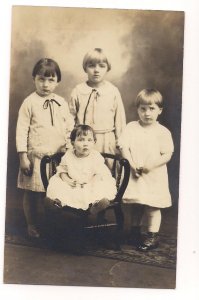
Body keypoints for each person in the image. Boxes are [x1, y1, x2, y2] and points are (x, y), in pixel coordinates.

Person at [16, 58, 74, 238]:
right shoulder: (29, 102)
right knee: (31, 193)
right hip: (36, 156)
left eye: (51, 80)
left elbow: (69, 127)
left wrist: (69, 148)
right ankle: (31, 224)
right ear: (34, 78)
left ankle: (50, 224)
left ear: (57, 82)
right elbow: (21, 130)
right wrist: (23, 156)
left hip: (56, 158)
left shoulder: (61, 102)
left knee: (51, 192)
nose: (46, 84)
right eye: (41, 79)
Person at [119, 88, 174, 251]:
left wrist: (151, 165)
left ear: (160, 110)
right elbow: (124, 148)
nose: (147, 113)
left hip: (154, 176)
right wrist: (131, 164)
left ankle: (152, 235)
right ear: (138, 109)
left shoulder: (162, 132)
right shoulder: (131, 127)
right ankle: (135, 231)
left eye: (152, 109)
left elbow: (167, 154)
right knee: (137, 204)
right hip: (135, 173)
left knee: (152, 207)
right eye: (143, 109)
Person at [68, 48, 126, 166]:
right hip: (84, 140)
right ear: (85, 68)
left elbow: (120, 121)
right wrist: (70, 143)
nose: (96, 70)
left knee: (107, 174)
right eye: (91, 66)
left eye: (101, 66)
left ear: (107, 68)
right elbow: (69, 119)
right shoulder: (78, 91)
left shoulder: (113, 91)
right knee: (84, 171)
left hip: (107, 140)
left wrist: (121, 144)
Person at [46, 125, 117, 213]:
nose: (85, 143)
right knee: (59, 186)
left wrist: (91, 182)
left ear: (94, 142)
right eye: (81, 140)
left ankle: (97, 203)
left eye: (89, 140)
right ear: (73, 143)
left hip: (92, 182)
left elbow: (99, 173)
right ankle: (57, 202)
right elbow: (62, 171)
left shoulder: (96, 156)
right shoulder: (68, 156)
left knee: (99, 187)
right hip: (74, 184)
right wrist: (67, 180)